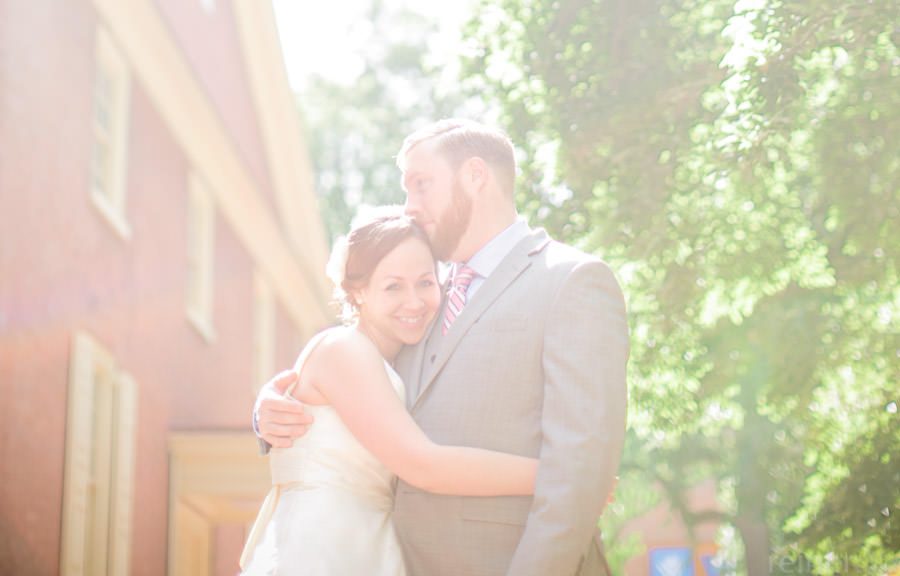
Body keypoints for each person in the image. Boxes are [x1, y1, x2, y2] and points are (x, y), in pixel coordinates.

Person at [255, 119, 629, 576]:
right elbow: (352, 388)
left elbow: (580, 453)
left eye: (421, 185)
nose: (410, 207)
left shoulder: (570, 281)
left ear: (475, 176)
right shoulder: (421, 296)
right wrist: (268, 410)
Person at [240, 208, 540, 575]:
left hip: (371, 544)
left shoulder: (403, 359)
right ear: (358, 291)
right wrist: (554, 475)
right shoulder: (344, 349)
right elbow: (423, 465)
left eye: (425, 282)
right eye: (393, 286)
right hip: (320, 546)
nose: (414, 301)